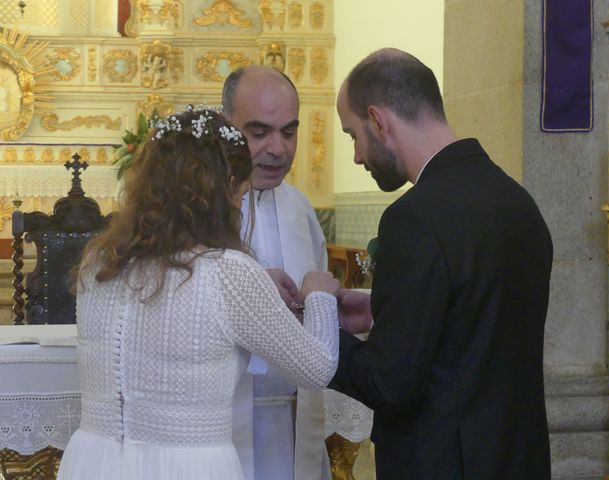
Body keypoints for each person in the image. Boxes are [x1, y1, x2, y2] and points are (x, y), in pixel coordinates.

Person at [56, 106, 340, 480]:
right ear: (220, 193)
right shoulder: (229, 274)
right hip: (187, 466)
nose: (240, 210)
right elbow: (317, 368)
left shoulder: (98, 263)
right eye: (240, 197)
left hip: (94, 461)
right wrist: (319, 293)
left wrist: (256, 291)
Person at [331, 48, 553, 479]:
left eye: (352, 134)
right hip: (517, 460)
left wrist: (323, 328)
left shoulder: (412, 217)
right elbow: (474, 327)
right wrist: (381, 311)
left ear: (378, 121)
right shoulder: (517, 201)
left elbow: (390, 385)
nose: (358, 155)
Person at [222, 66, 331, 480]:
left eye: (288, 132)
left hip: (293, 422)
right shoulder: (198, 215)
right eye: (259, 131)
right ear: (227, 125)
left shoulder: (300, 209)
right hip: (220, 425)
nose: (278, 148)